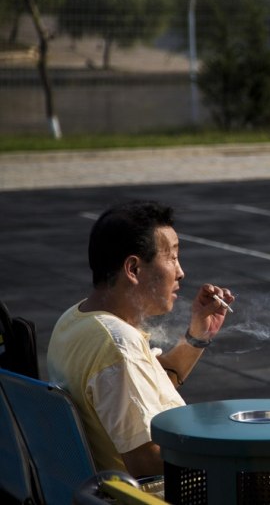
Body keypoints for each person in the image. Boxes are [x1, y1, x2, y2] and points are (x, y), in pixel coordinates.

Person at [47, 200, 234, 478]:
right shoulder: (117, 347)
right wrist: (236, 458)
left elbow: (143, 390)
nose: (180, 271)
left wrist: (198, 334)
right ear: (133, 269)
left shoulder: (74, 320)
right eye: (171, 257)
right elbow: (147, 464)